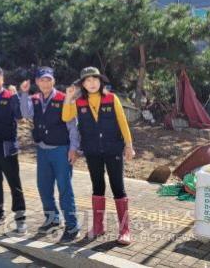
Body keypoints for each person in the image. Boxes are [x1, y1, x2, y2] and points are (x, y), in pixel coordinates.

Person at [63, 67, 135, 245]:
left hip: (113, 149)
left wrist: (129, 146)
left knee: (118, 187)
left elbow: (122, 122)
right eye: (87, 81)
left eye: (94, 79)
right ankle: (98, 226)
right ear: (82, 84)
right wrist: (68, 98)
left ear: (100, 81)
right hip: (92, 150)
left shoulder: (111, 98)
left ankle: (124, 230)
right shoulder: (78, 102)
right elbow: (66, 117)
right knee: (98, 187)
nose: (92, 83)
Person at [30, 67, 80, 242]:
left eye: (48, 79)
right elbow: (23, 113)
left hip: (61, 150)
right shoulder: (34, 100)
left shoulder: (64, 98)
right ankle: (52, 219)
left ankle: (72, 225)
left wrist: (74, 149)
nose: (45, 83)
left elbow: (73, 127)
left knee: (64, 188)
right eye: (42, 79)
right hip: (42, 150)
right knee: (43, 187)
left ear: (53, 81)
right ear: (37, 82)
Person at [0, 67, 31, 235]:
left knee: (14, 184)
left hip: (7, 147)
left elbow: (19, 116)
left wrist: (17, 95)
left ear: (2, 80)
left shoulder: (10, 97)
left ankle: (20, 218)